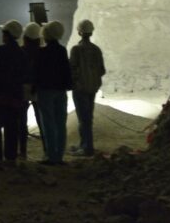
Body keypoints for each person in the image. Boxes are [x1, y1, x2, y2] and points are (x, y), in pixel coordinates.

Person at [0, 20, 27, 169]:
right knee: (12, 128)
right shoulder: (21, 53)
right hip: (14, 97)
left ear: (7, 35)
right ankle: (11, 159)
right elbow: (24, 75)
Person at [34, 21, 73, 165]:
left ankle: (51, 156)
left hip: (45, 90)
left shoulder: (42, 52)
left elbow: (37, 72)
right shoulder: (62, 51)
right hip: (60, 90)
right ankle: (59, 156)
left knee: (48, 123)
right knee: (60, 122)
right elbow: (66, 71)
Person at [69, 19, 106, 157]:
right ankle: (84, 144)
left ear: (79, 32)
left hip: (80, 89)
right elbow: (102, 70)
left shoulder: (76, 49)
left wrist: (77, 81)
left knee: (83, 118)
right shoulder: (96, 50)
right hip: (92, 88)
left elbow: (72, 69)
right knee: (88, 117)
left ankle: (87, 147)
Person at [20, 22, 45, 159]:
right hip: (38, 88)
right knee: (41, 120)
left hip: (23, 87)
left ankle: (22, 152)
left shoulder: (21, 51)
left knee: (22, 120)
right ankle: (47, 150)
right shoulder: (42, 52)